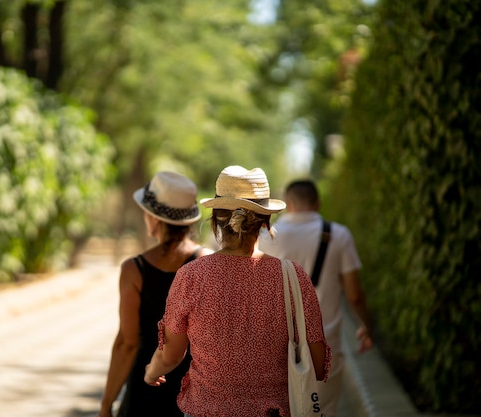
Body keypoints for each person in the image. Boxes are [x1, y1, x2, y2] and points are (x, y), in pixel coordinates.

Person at [144, 166, 331, 417]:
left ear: (216, 219)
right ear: (265, 222)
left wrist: (152, 372)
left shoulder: (191, 276)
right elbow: (317, 365)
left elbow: (171, 355)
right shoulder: (292, 277)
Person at [99, 171, 213, 417]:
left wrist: (106, 404)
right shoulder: (205, 263)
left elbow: (126, 343)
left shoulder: (134, 270)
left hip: (144, 389)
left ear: (154, 218)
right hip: (191, 392)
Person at [260, 179, 373, 417]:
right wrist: (366, 325)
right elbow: (354, 295)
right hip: (325, 348)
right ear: (318, 203)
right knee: (323, 411)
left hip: (276, 347)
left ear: (287, 204)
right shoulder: (339, 235)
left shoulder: (266, 237)